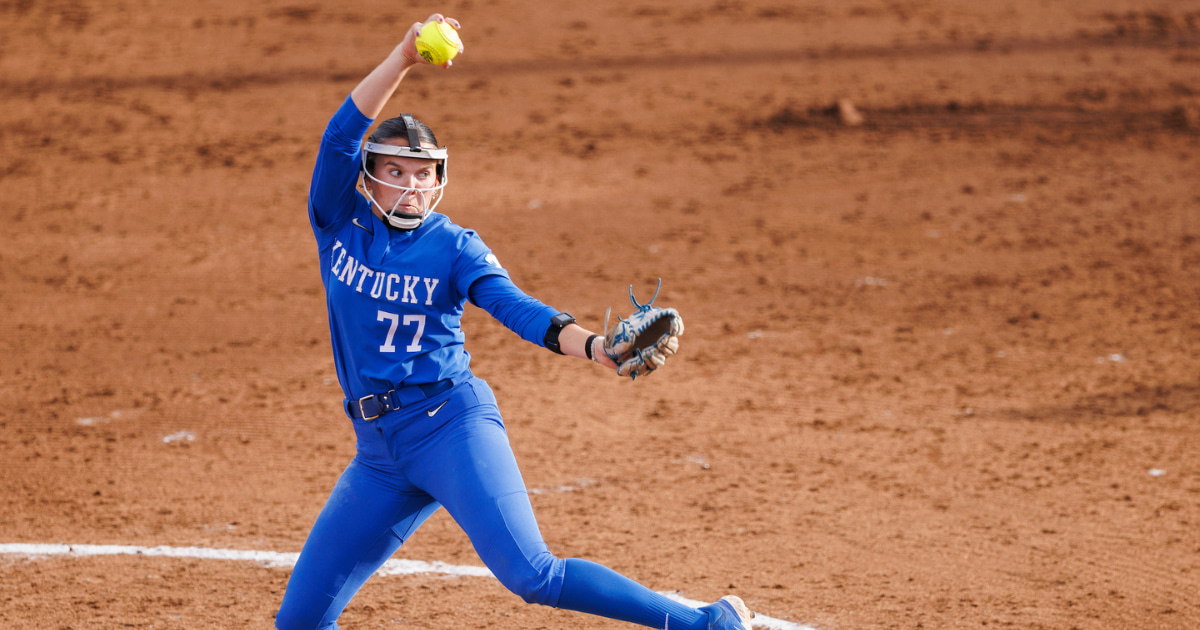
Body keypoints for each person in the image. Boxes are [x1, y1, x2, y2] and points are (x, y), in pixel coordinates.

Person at [274, 14, 754, 630]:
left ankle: (707, 624)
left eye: (424, 173)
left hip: (450, 427)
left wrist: (596, 346)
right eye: (396, 171)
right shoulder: (337, 222)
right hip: (379, 454)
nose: (412, 186)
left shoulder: (453, 246)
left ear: (439, 179)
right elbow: (339, 136)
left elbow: (513, 306)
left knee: (533, 575)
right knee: (300, 623)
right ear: (368, 178)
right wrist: (402, 56)